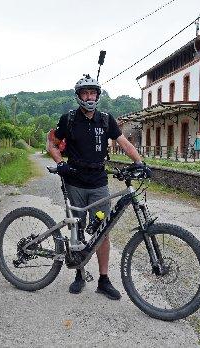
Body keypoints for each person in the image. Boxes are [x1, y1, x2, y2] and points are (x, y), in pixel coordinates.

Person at [47, 74, 147, 300]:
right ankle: (79, 274)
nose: (89, 97)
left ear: (98, 95)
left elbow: (125, 143)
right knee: (77, 230)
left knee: (103, 231)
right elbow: (51, 143)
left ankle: (103, 279)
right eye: (85, 93)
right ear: (79, 96)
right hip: (74, 182)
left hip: (99, 183)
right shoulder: (69, 119)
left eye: (93, 93)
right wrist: (60, 163)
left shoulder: (106, 119)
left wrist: (140, 163)